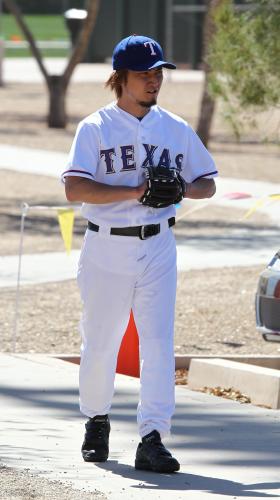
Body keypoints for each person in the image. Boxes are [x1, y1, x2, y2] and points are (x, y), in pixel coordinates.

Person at [62, 34, 217, 473]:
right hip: (106, 243)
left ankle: (153, 436)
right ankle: (96, 419)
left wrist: (182, 188)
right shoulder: (95, 128)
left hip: (159, 244)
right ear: (121, 78)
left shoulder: (175, 128)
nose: (154, 81)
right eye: (144, 74)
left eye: (157, 73)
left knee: (158, 340)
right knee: (102, 339)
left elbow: (208, 182)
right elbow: (75, 187)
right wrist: (134, 189)